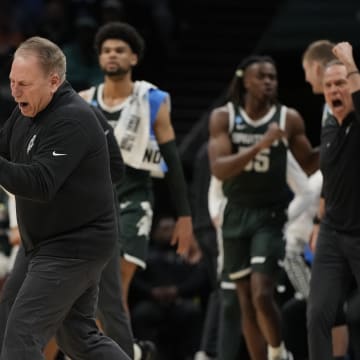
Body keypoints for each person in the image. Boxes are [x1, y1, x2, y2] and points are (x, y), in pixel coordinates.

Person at [0, 36, 129, 359]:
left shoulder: (72, 119)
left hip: (73, 247)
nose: (15, 91)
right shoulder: (25, 111)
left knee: (19, 338)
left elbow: (41, 183)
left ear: (54, 81)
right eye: (12, 82)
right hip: (44, 244)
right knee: (78, 339)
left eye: (24, 84)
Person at [79, 21, 195, 318]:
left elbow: (172, 161)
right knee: (82, 291)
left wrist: (184, 216)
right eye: (106, 51)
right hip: (90, 205)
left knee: (114, 284)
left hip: (133, 200)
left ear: (134, 58)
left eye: (119, 50)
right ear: (99, 57)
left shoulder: (153, 100)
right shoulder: (84, 102)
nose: (112, 55)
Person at [208, 55, 319, 360]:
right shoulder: (224, 117)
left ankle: (277, 351)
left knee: (262, 292)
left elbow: (309, 163)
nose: (269, 81)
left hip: (269, 215)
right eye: (262, 76)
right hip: (236, 213)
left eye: (273, 76)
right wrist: (260, 145)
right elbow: (219, 169)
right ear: (245, 81)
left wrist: (339, 137)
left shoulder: (288, 118)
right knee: (244, 300)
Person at [307, 42, 360, 360]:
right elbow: (331, 180)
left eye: (341, 83)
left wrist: (349, 62)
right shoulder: (329, 125)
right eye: (329, 85)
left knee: (355, 316)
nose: (334, 89)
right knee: (317, 316)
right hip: (331, 232)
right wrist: (316, 222)